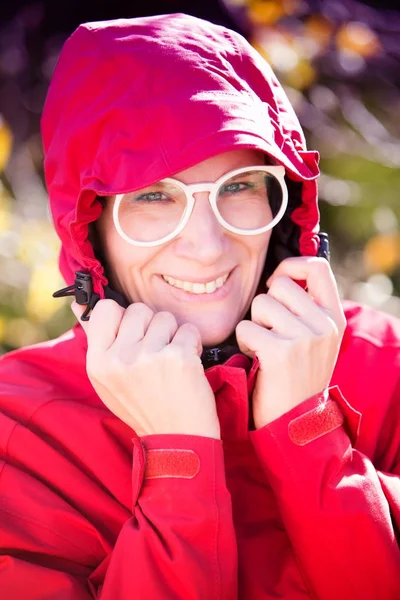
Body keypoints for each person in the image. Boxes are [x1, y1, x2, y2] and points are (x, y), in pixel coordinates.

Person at [0, 12, 399, 600]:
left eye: (237, 187)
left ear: (282, 200)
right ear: (90, 227)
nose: (207, 245)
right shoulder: (20, 428)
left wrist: (309, 431)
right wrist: (177, 461)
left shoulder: (380, 365)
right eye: (154, 196)